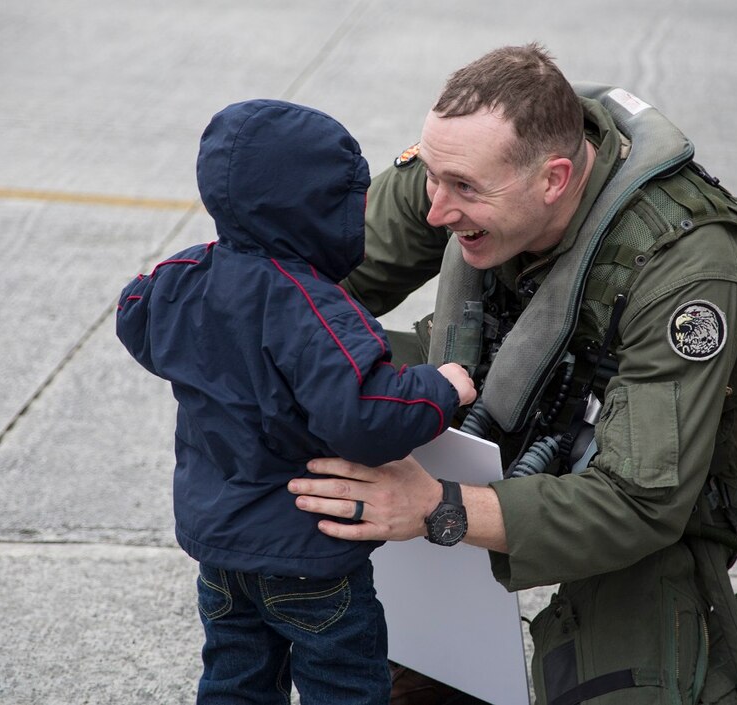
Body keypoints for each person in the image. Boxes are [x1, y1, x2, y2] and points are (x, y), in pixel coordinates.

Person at [287, 44, 737, 705]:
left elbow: (639, 500)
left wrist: (437, 508)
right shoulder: (468, 167)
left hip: (642, 479)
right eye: (434, 176)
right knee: (303, 397)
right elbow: (297, 288)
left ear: (552, 180)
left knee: (615, 694)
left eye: (462, 188)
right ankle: (427, 647)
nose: (436, 209)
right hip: (493, 403)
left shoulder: (688, 265)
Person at [116, 99, 476, 705]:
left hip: (220, 550)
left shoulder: (184, 278)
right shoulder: (315, 309)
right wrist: (442, 387)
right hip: (308, 554)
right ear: (318, 207)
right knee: (344, 684)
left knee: (234, 679)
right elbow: (363, 415)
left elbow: (135, 310)